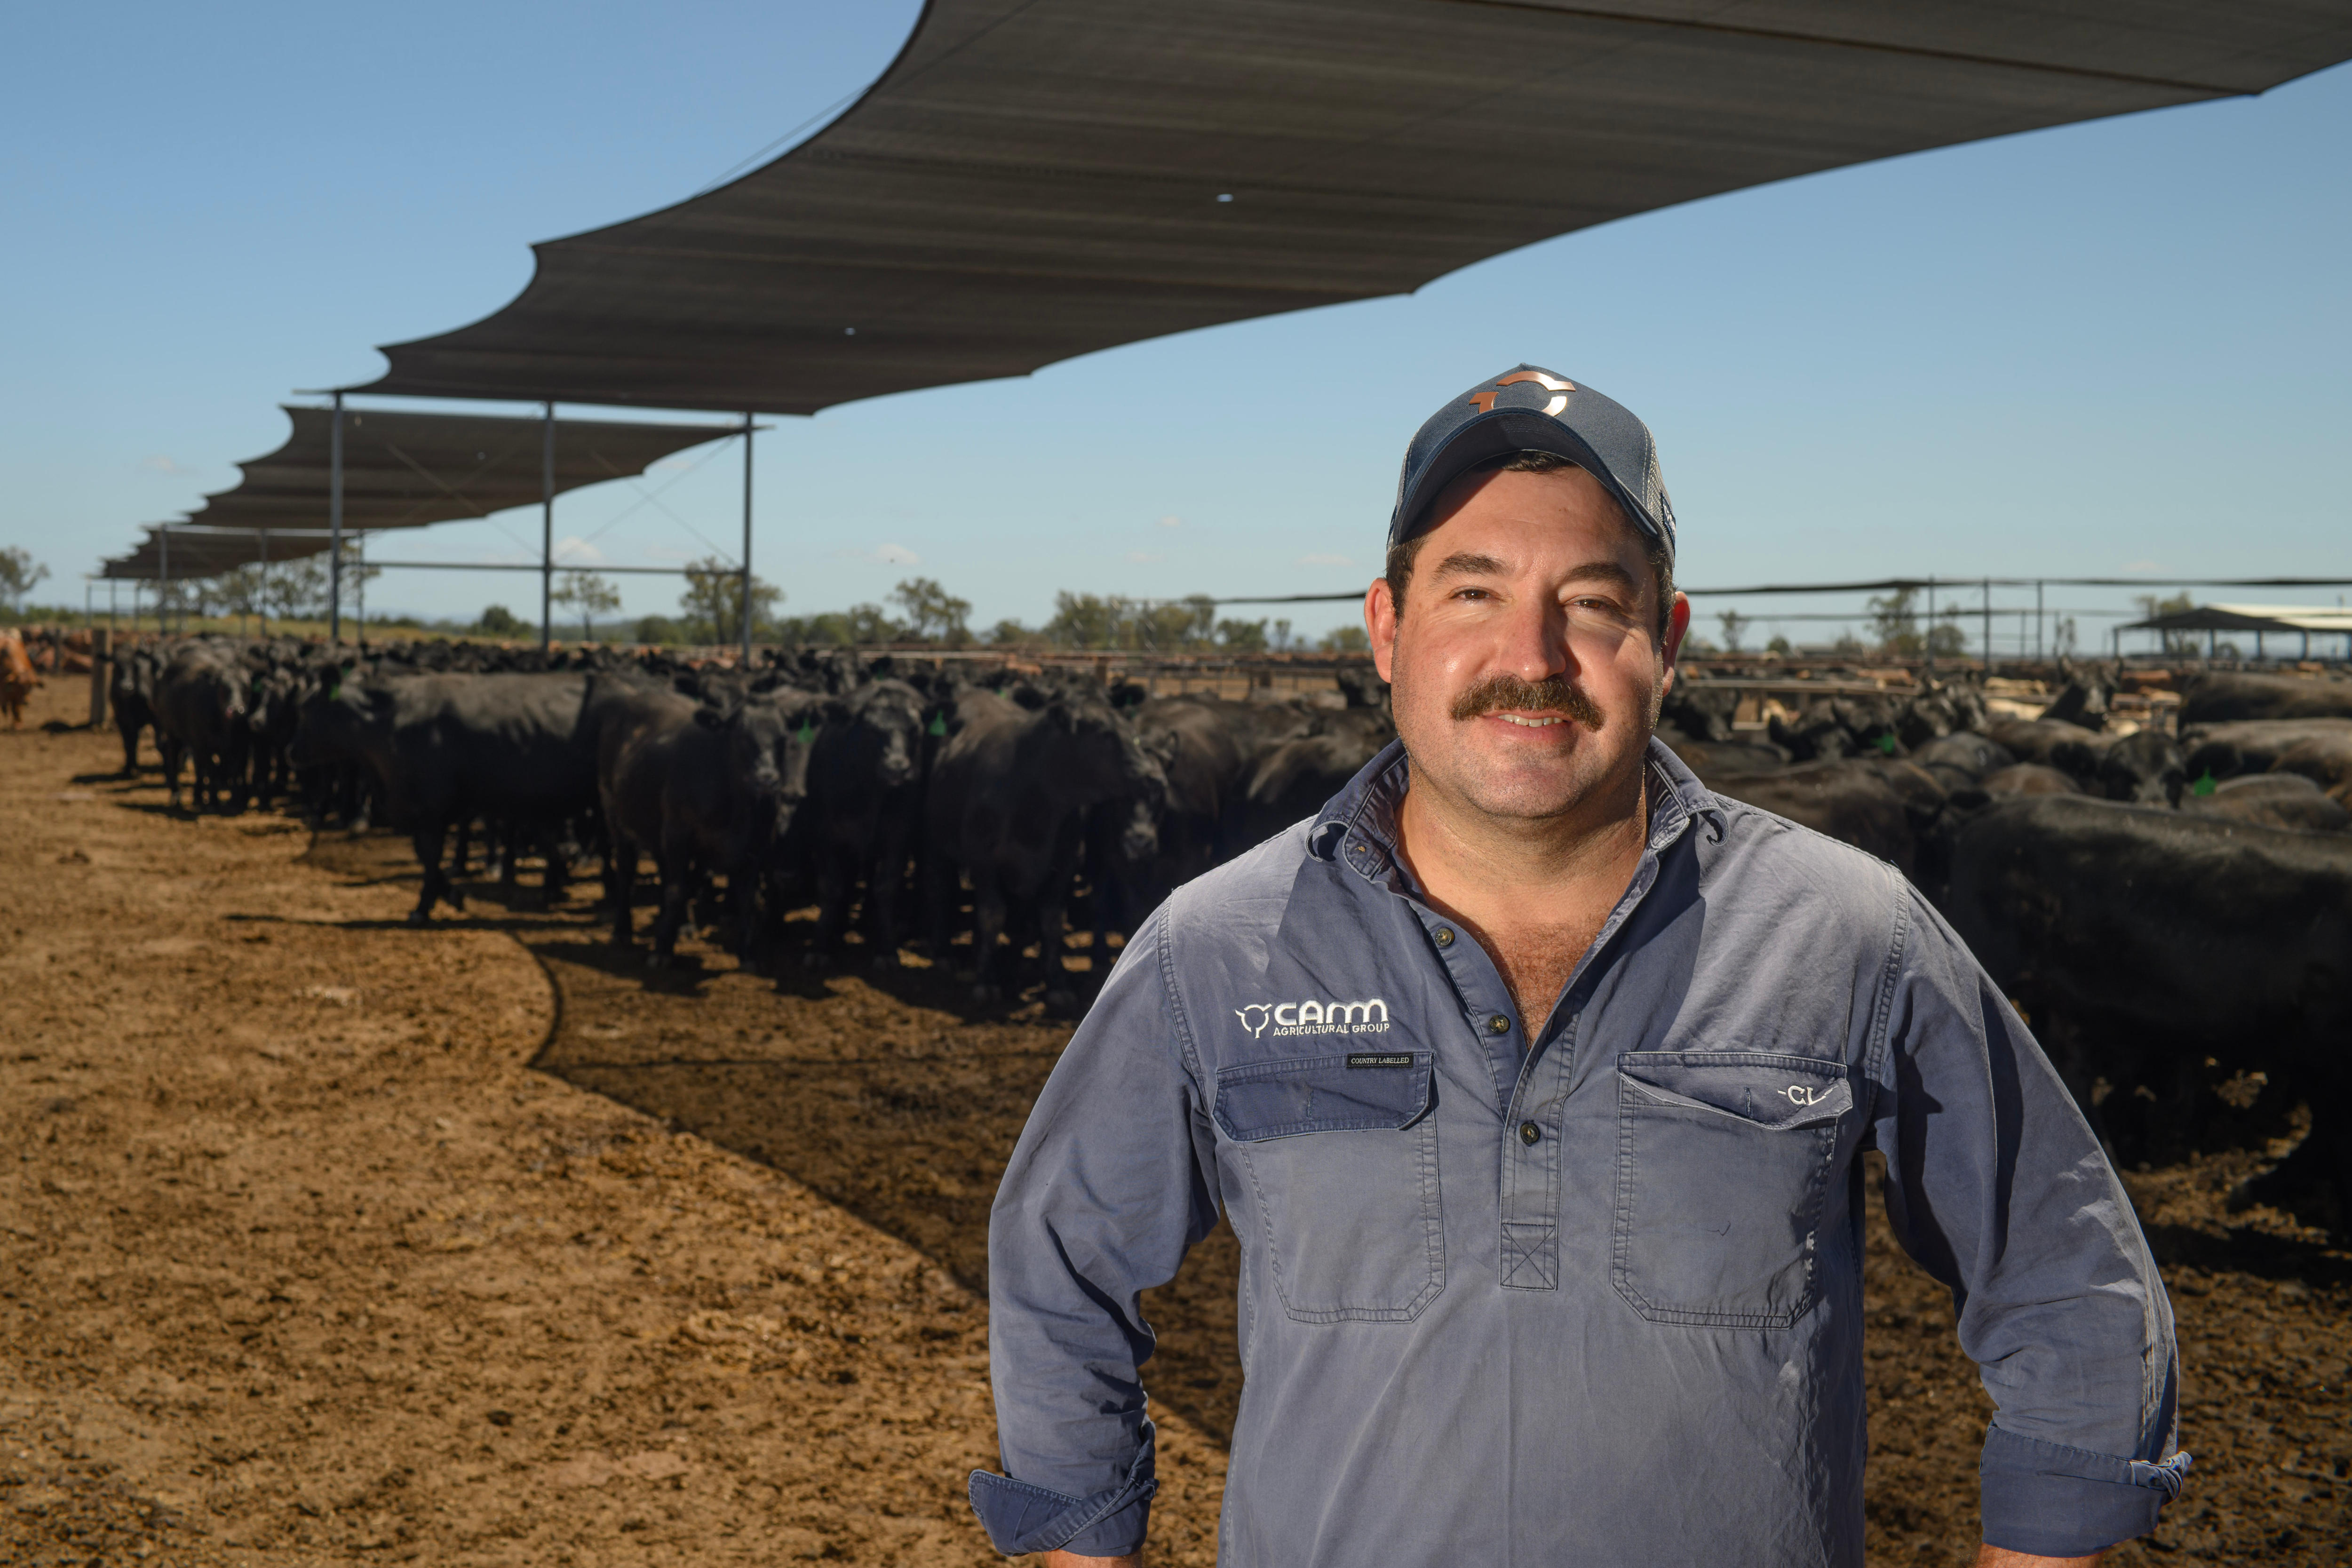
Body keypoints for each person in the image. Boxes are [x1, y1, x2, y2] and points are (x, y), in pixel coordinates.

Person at [969, 366, 2186, 1568]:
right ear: (1388, 632)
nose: (1532, 654)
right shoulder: (1215, 948)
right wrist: (1083, 1539)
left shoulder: (1850, 935)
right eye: (1473, 593)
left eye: (1594, 602)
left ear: (1668, 639)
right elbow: (1058, 1261)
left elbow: (2070, 1275)